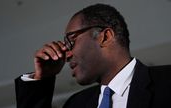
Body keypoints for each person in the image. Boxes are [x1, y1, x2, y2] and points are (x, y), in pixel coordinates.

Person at [15, 3, 171, 108]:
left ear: (105, 37)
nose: (66, 54)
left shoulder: (166, 82)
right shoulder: (76, 104)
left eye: (71, 41)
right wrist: (42, 79)